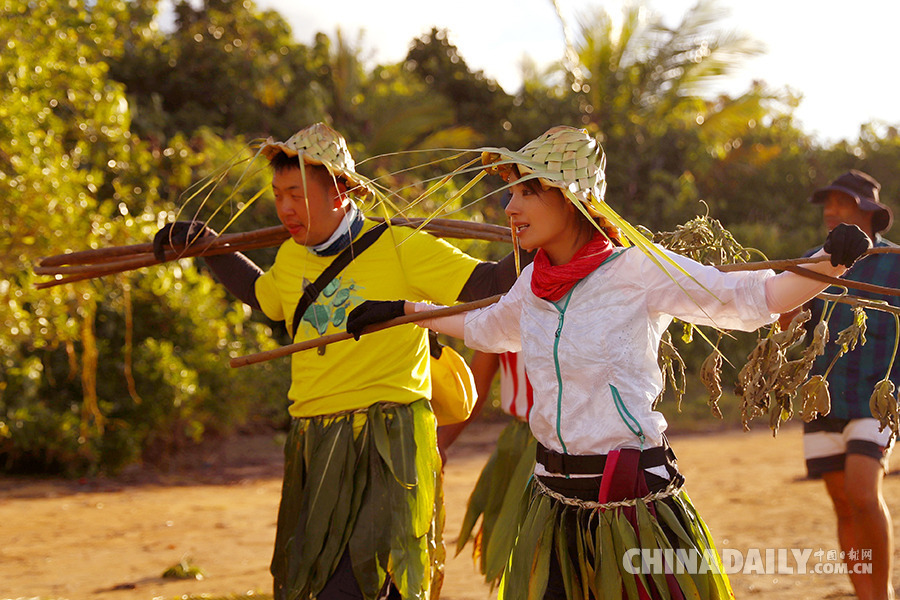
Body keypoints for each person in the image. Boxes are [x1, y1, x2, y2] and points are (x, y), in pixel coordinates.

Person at [346, 126, 873, 599]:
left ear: (573, 199)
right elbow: (489, 329)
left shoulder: (638, 269)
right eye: (512, 191)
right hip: (551, 499)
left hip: (631, 498)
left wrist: (828, 263)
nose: (510, 207)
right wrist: (407, 311)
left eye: (527, 191)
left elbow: (750, 298)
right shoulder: (533, 281)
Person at [153, 122, 524, 600]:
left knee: (376, 579)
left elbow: (485, 283)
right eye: (278, 194)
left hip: (387, 436)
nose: (285, 208)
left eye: (297, 194)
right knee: (317, 576)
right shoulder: (289, 257)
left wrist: (551, 244)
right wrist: (205, 242)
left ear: (341, 190)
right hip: (315, 435)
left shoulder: (399, 245)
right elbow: (260, 294)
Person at [783, 169, 897, 600]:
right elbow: (784, 319)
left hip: (879, 395)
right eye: (828, 204)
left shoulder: (896, 260)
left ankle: (882, 592)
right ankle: (863, 593)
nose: (831, 211)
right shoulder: (815, 260)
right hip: (824, 395)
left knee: (862, 490)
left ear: (867, 212)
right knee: (843, 502)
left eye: (842, 203)